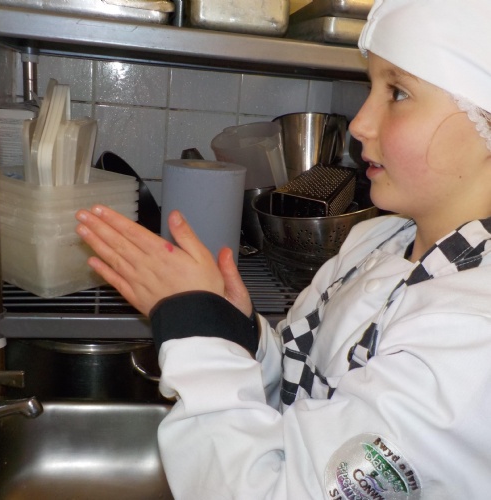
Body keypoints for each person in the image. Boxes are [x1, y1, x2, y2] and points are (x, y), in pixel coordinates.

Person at [75, 0, 491, 497]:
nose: (359, 123)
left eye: (398, 92)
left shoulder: (473, 337)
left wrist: (197, 333)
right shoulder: (378, 240)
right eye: (371, 88)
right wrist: (238, 334)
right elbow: (309, 397)